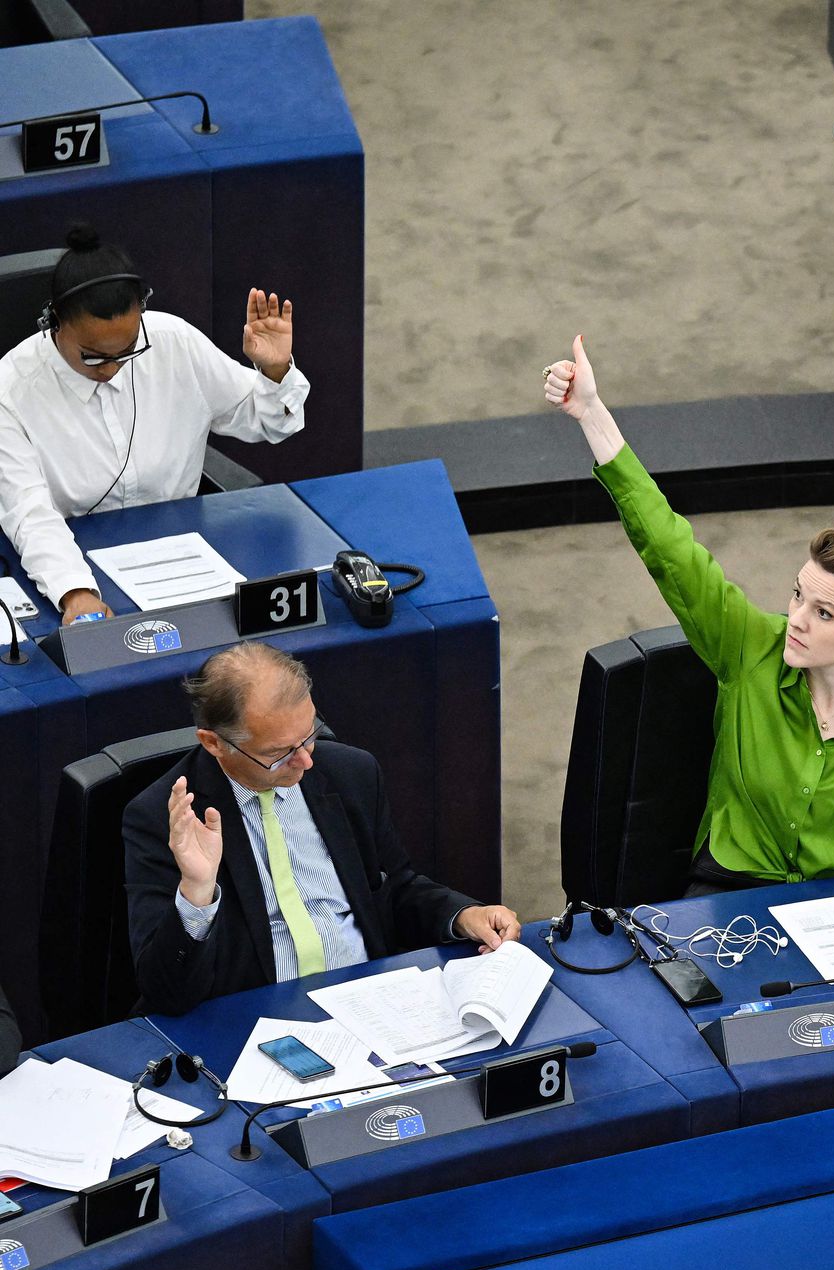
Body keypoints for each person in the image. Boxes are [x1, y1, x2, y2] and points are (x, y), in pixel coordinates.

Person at [544, 337, 834, 969]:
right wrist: (592, 413)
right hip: (727, 897)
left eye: (823, 613)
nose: (795, 620)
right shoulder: (749, 647)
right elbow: (669, 546)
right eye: (798, 596)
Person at [124, 644, 520, 1015]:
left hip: (371, 1001)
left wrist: (464, 914)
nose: (305, 763)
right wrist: (196, 892)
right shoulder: (163, 818)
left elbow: (393, 889)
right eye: (277, 754)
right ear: (213, 743)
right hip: (256, 1017)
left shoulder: (350, 772)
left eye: (309, 736)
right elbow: (167, 994)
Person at [0, 224, 308, 625]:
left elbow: (266, 421)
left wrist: (274, 370)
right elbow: (29, 511)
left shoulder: (172, 341)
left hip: (181, 557)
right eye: (93, 356)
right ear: (54, 322)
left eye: (127, 350)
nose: (111, 368)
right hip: (68, 563)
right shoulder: (11, 388)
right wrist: (75, 592)